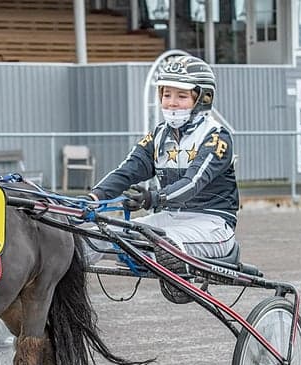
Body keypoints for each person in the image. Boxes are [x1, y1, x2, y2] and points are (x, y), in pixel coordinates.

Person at [84, 54, 239, 264]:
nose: (171, 103)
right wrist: (94, 197)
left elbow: (192, 183)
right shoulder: (158, 135)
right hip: (168, 219)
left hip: (212, 225)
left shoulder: (216, 136)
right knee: (90, 238)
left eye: (181, 96)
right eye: (167, 95)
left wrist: (154, 198)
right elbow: (127, 171)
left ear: (203, 99)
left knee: (163, 243)